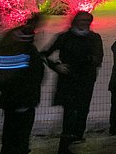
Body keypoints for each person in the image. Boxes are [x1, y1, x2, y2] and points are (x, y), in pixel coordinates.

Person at [42, 11, 104, 154]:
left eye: (87, 20)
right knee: (69, 113)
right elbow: (45, 54)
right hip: (68, 80)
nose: (84, 22)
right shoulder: (64, 37)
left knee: (82, 111)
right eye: (82, 20)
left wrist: (91, 60)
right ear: (75, 21)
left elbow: (98, 58)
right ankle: (65, 147)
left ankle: (76, 140)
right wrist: (56, 66)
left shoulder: (94, 38)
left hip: (86, 80)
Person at [0, 13, 45, 154]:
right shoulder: (26, 53)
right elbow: (31, 76)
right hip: (23, 100)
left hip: (15, 100)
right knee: (19, 134)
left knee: (11, 134)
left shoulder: (13, 47)